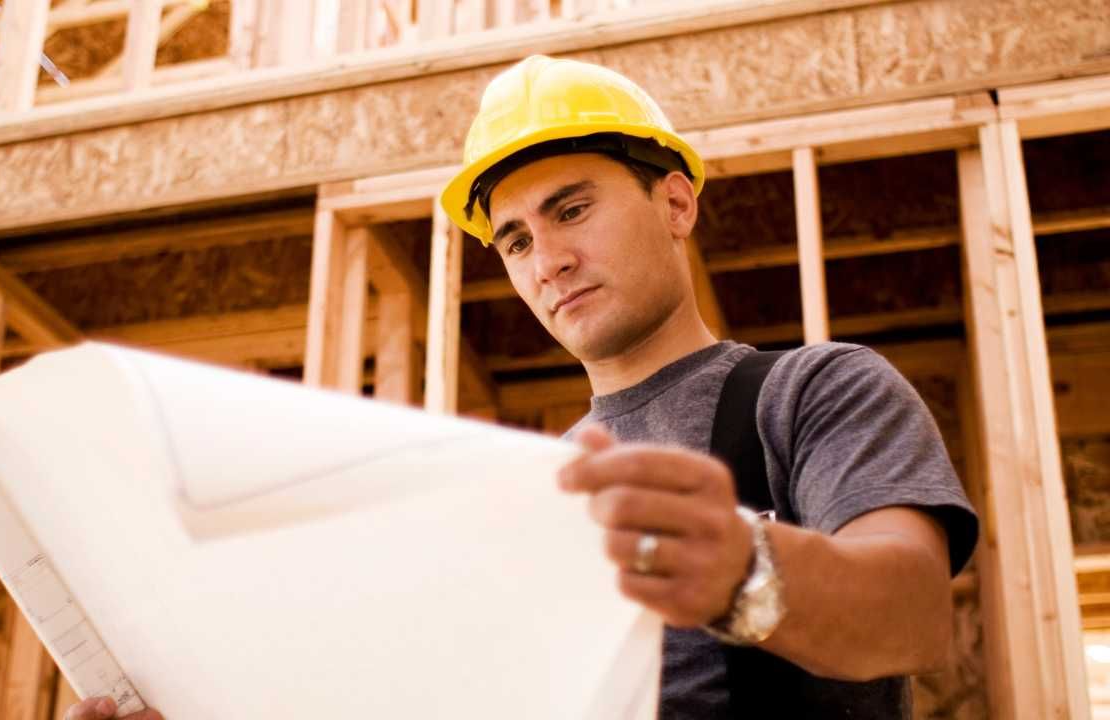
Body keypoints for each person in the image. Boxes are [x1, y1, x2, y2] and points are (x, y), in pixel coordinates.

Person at [67, 54, 977, 720]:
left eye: (571, 209)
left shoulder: (814, 392)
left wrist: (744, 567)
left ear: (674, 204)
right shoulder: (525, 484)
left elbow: (910, 614)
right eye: (515, 241)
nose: (548, 261)